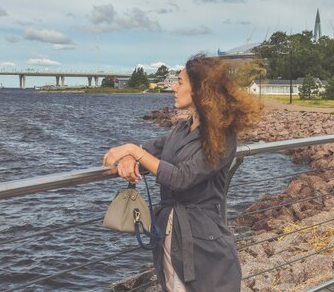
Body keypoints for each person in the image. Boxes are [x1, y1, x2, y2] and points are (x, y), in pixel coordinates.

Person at [103, 54, 261, 292]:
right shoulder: (181, 128)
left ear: (198, 90)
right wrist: (128, 157)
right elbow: (152, 152)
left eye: (179, 82)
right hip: (169, 233)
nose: (174, 88)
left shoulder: (222, 136)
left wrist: (133, 151)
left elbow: (181, 178)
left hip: (202, 241)